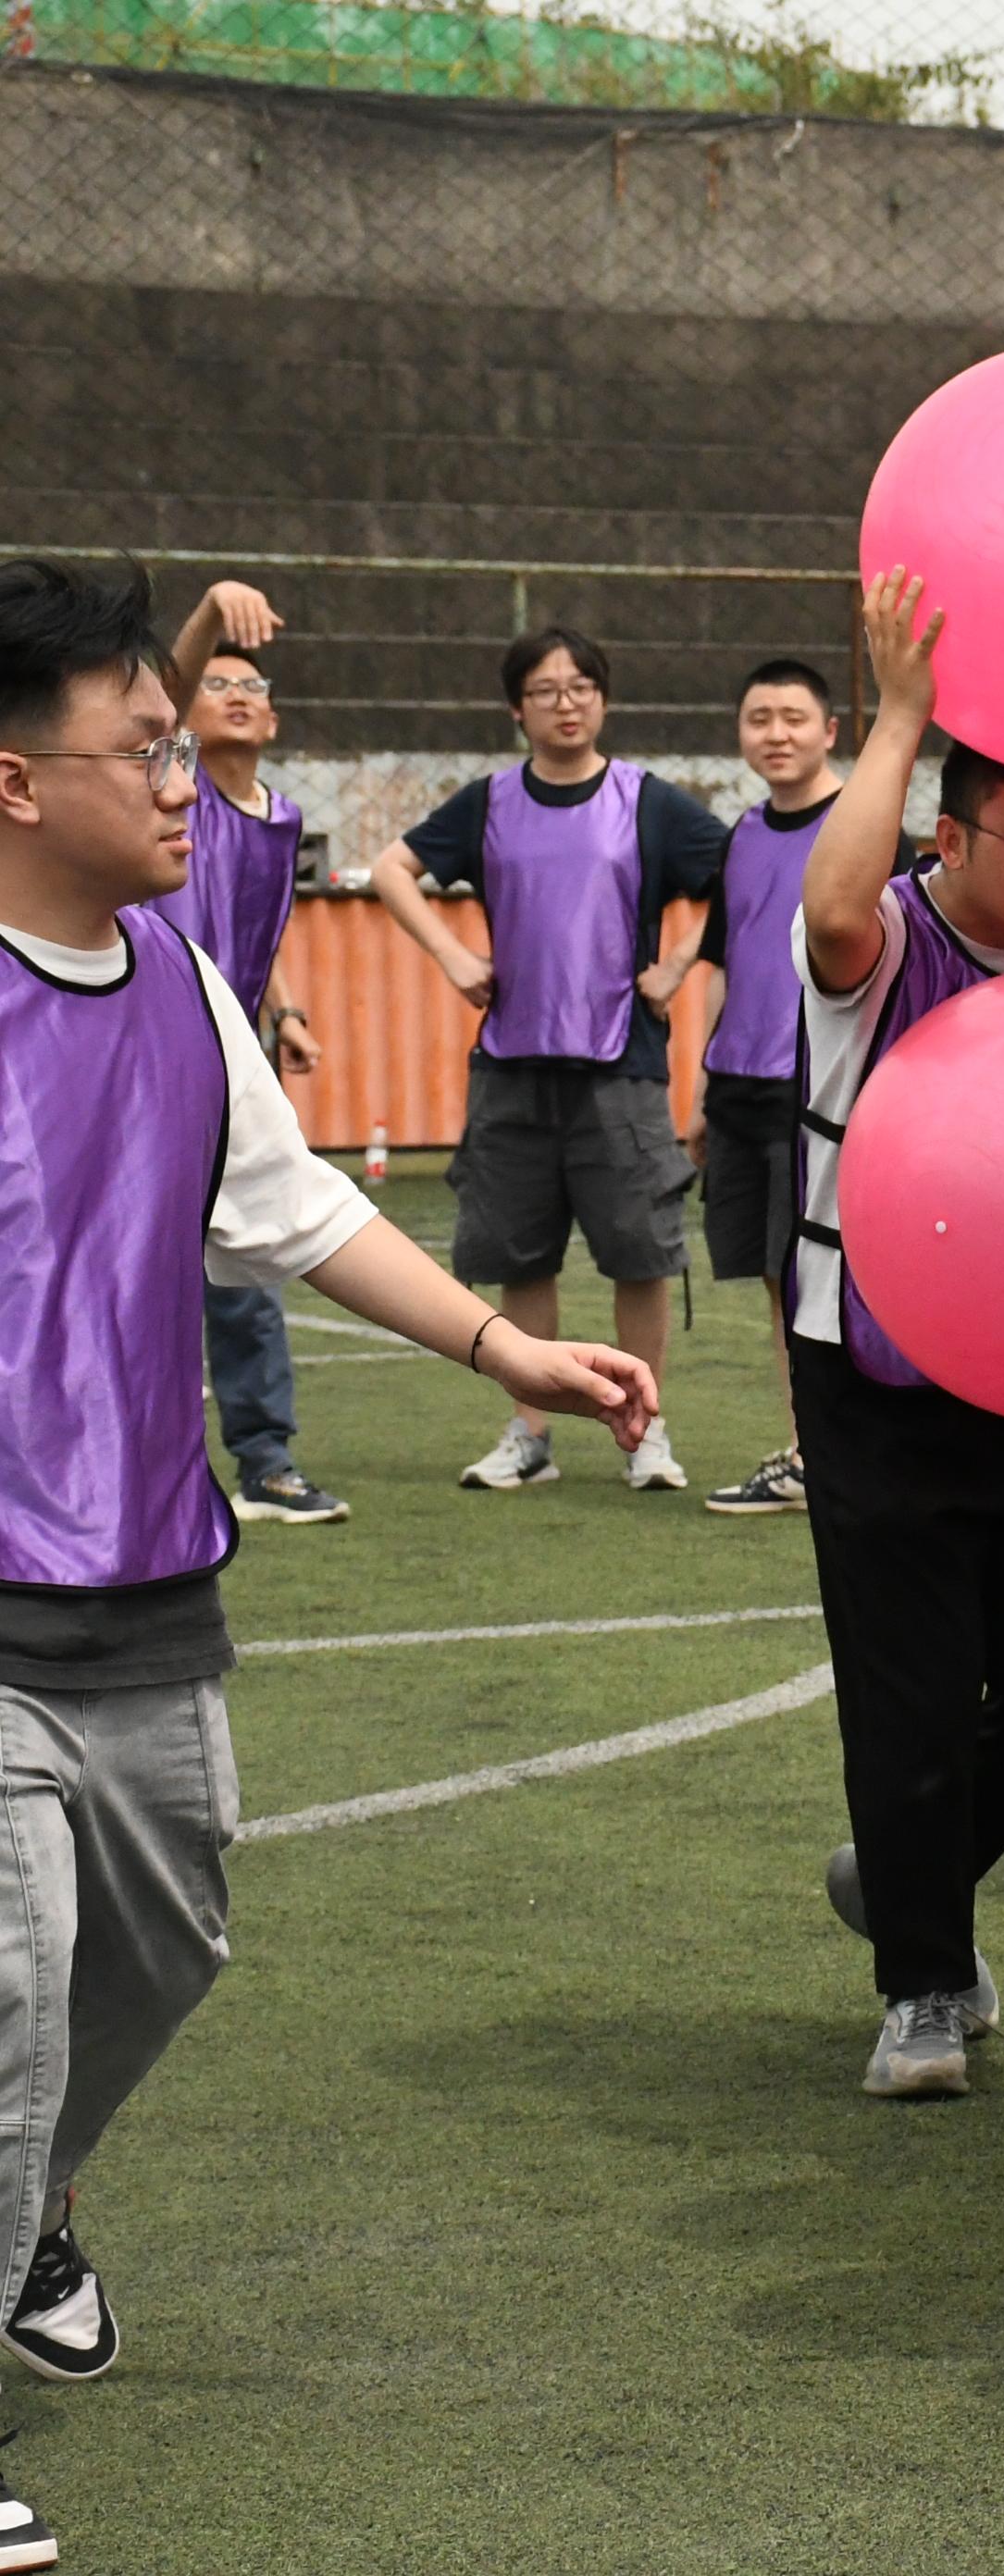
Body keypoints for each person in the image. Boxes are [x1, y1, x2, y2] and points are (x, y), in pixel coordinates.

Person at [0, 555, 655, 2571]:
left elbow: (295, 1214)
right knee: (9, 1982)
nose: (179, 781)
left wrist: (504, 1345)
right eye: (140, 748)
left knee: (165, 1941)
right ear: (17, 782)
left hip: (147, 1583)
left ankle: (32, 2209)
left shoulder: (183, 990)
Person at [794, 570, 1004, 2099]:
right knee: (911, 1687)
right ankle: (924, 1984)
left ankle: (903, 1875)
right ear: (951, 838)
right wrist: (901, 716)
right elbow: (830, 910)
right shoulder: (886, 945)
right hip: (879, 1369)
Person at [370, 625, 725, 1495]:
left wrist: (680, 964)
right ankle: (530, 1435)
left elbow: (744, 875)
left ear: (603, 700)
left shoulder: (649, 803)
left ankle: (644, 1430)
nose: (566, 704)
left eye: (580, 688)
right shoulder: (487, 803)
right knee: (518, 1254)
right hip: (510, 1067)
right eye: (545, 691)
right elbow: (390, 868)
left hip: (622, 1067)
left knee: (640, 1253)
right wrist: (452, 956)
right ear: (516, 710)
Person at [145, 585, 348, 1527]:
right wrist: (209, 617)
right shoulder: (169, 783)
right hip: (144, 1043)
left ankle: (265, 1461)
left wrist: (286, 1012)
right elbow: (160, 692)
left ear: (272, 718)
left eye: (251, 685)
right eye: (215, 683)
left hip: (234, 1053)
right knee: (141, 1256)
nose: (234, 694)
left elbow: (250, 926)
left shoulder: (282, 814)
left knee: (249, 1251)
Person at [692, 658, 874, 1517]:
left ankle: (830, 1451)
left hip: (826, 1094)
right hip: (740, 1090)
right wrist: (703, 1086)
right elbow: (727, 961)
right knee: (777, 1276)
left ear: (830, 731)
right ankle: (811, 1449)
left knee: (826, 1276)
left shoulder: (863, 824)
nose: (777, 734)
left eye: (794, 718)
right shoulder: (741, 834)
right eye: (759, 718)